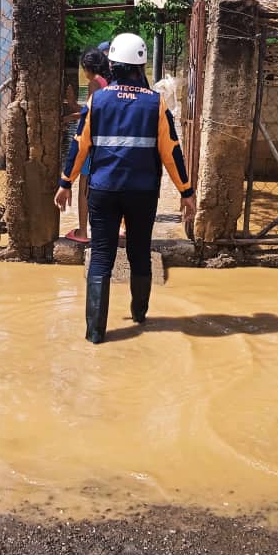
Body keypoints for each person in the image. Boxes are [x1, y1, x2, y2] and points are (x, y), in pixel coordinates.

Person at [54, 32, 196, 344]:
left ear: (112, 65)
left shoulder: (97, 100)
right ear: (141, 65)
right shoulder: (155, 103)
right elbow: (171, 152)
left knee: (101, 255)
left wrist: (66, 183)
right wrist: (186, 192)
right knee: (139, 251)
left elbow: (78, 146)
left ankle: (95, 334)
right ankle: (139, 317)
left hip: (103, 190)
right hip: (142, 192)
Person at [62, 46, 111, 243]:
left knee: (84, 186)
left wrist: (72, 107)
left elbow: (89, 114)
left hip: (92, 141)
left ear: (88, 67)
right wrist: (72, 113)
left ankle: (83, 232)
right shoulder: (109, 82)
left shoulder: (94, 83)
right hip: (107, 141)